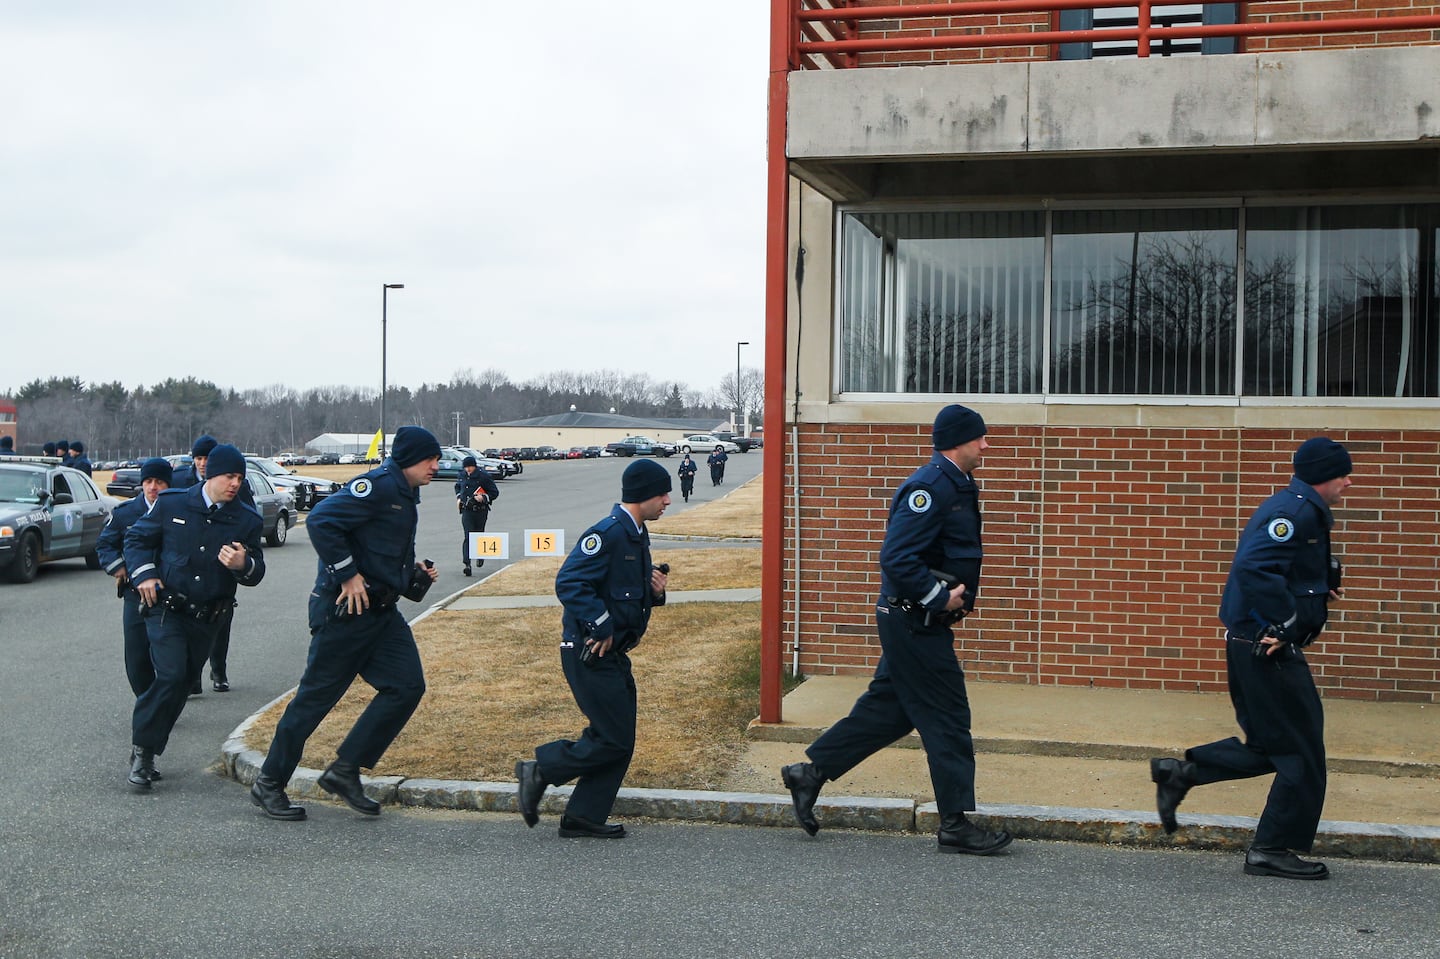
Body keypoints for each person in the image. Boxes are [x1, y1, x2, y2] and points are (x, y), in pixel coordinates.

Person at [780, 404, 1012, 856]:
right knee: (947, 716)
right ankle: (955, 823)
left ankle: (809, 774)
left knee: (890, 711)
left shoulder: (954, 483)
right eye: (980, 437)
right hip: (914, 621)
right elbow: (897, 557)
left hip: (915, 622)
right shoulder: (929, 487)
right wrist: (937, 596)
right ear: (957, 441)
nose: (986, 445)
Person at [1151, 437, 1353, 881]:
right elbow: (1254, 569)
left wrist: (1320, 585)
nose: (1348, 481)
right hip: (1266, 646)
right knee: (1301, 750)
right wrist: (1281, 625)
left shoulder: (1300, 507)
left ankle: (1181, 774)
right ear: (1323, 475)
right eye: (1342, 473)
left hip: (1255, 644)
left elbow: (1282, 568)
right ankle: (1271, 849)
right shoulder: (1293, 512)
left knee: (1271, 746)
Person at [250, 426, 441, 822]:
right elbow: (321, 521)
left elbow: (381, 551)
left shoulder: (406, 494)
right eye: (430, 459)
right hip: (344, 613)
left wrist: (413, 572)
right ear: (409, 459)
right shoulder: (376, 487)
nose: (436, 467)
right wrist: (347, 574)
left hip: (382, 615)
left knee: (406, 686)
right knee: (313, 702)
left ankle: (345, 769)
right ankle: (269, 782)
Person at [515, 458, 671, 838]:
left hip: (613, 653)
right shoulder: (608, 533)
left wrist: (655, 593)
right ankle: (540, 769)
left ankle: (584, 815)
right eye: (662, 493)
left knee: (620, 738)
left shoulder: (637, 534)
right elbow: (569, 582)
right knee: (614, 737)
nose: (668, 500)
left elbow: (622, 592)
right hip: (589, 652)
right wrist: (599, 623)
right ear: (643, 495)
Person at [122, 444, 265, 791]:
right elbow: (137, 538)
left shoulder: (247, 519)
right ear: (209, 474)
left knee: (183, 683)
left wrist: (242, 565)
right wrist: (143, 574)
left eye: (240, 477)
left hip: (208, 617)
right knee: (169, 675)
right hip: (166, 609)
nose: (235, 483)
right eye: (229, 476)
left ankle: (151, 746)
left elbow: (257, 570)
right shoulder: (172, 504)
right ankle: (143, 752)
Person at [172, 433, 249, 692]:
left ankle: (219, 669)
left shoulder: (236, 487)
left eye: (207, 458)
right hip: (186, 565)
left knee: (219, 621)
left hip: (220, 567)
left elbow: (247, 522)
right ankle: (192, 677)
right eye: (198, 458)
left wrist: (241, 559)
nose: (202, 463)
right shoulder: (179, 481)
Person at [97, 457, 172, 701]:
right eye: (148, 481)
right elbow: (105, 544)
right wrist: (118, 567)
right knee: (137, 655)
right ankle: (147, 701)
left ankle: (167, 698)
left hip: (170, 593)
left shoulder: (177, 512)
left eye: (159, 482)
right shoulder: (125, 512)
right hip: (135, 593)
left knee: (170, 656)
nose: (153, 487)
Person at [455, 455, 500, 576]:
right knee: (468, 536)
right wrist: (459, 498)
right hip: (466, 510)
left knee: (479, 534)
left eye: (470, 467)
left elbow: (494, 492)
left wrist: (484, 497)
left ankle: (480, 555)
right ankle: (467, 564)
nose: (468, 469)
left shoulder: (483, 476)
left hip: (480, 510)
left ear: (474, 466)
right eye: (466, 467)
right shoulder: (462, 475)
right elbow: (458, 487)